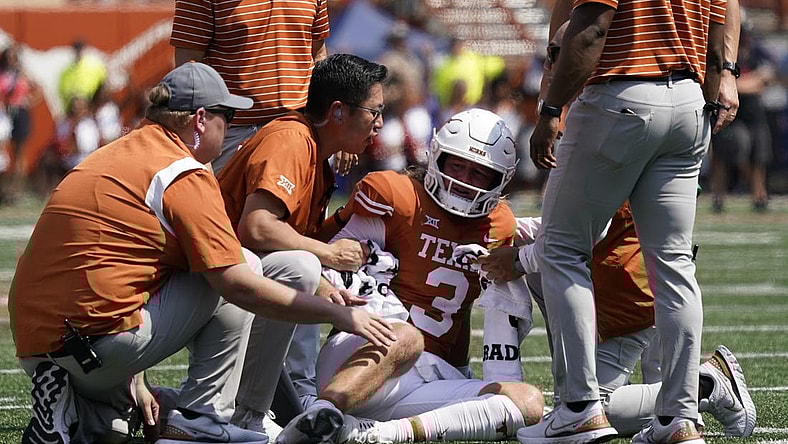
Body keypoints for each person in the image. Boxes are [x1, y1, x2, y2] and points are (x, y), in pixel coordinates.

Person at [9, 61, 396, 444]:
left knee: (113, 430)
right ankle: (204, 416)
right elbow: (238, 277)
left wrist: (136, 382)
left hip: (40, 347)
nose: (231, 129)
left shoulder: (119, 152)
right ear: (199, 119)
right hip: (96, 342)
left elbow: (122, 268)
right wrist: (339, 314)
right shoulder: (183, 171)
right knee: (242, 266)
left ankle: (69, 405)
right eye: (226, 116)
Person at [518, 0, 727, 438]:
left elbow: (593, 28)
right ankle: (679, 416)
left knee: (561, 250)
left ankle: (577, 405)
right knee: (673, 265)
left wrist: (551, 110)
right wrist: (718, 82)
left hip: (622, 94)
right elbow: (720, 22)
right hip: (690, 100)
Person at [275, 108, 545, 444]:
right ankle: (320, 414)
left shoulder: (498, 224)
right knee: (406, 337)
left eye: (479, 174)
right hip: (362, 354)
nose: (463, 180)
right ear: (436, 158)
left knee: (528, 402)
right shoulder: (396, 197)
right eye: (457, 165)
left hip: (429, 379)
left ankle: (373, 433)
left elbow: (458, 316)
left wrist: (463, 374)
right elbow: (312, 261)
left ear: (499, 180)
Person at [215, 53, 389, 435]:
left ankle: (239, 411)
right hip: (206, 284)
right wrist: (328, 254)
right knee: (303, 269)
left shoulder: (309, 146)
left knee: (310, 275)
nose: (379, 124)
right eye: (373, 112)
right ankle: (244, 414)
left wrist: (329, 286)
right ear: (339, 112)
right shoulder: (292, 141)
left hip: (225, 276)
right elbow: (257, 228)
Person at [170, 0, 337, 173]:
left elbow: (317, 55)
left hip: (300, 127)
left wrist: (332, 125)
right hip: (230, 132)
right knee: (217, 200)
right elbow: (188, 71)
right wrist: (201, 148)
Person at [0, 43, 41, 203]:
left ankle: (15, 189)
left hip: (20, 112)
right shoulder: (2, 73)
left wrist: (28, 100)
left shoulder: (22, 74)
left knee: (19, 152)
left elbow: (37, 89)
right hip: (4, 113)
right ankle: (3, 187)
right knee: (3, 150)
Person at [57, 40, 106, 115]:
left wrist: (94, 104)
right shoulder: (66, 72)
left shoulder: (95, 66)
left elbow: (103, 86)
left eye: (80, 49)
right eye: (76, 50)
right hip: (73, 112)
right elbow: (62, 94)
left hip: (92, 107)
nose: (78, 52)